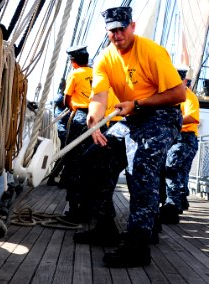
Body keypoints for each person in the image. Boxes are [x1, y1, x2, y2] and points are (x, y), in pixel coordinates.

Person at [70, 6, 186, 267]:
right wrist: (94, 120)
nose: (118, 34)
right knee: (94, 159)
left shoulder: (151, 51)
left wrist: (139, 104)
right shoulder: (104, 59)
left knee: (141, 167)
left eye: (122, 28)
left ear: (132, 26)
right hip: (132, 119)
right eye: (113, 30)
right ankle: (105, 226)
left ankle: (138, 243)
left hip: (162, 115)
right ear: (107, 32)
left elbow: (179, 94)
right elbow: (99, 97)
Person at [56, 45, 93, 223]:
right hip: (97, 119)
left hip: (79, 118)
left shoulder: (75, 74)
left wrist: (73, 107)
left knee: (73, 161)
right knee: (91, 162)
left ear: (73, 62)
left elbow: (67, 99)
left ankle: (74, 209)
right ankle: (88, 208)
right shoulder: (96, 73)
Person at [160, 66, 200, 224]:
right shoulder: (171, 96)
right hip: (176, 139)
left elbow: (192, 117)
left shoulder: (188, 96)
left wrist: (172, 122)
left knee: (172, 169)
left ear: (184, 81)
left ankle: (172, 207)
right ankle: (178, 203)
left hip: (184, 139)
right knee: (178, 173)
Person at [47, 78, 70, 187]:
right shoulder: (62, 97)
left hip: (64, 129)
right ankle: (58, 179)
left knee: (65, 154)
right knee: (66, 154)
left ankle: (56, 178)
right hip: (64, 130)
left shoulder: (61, 96)